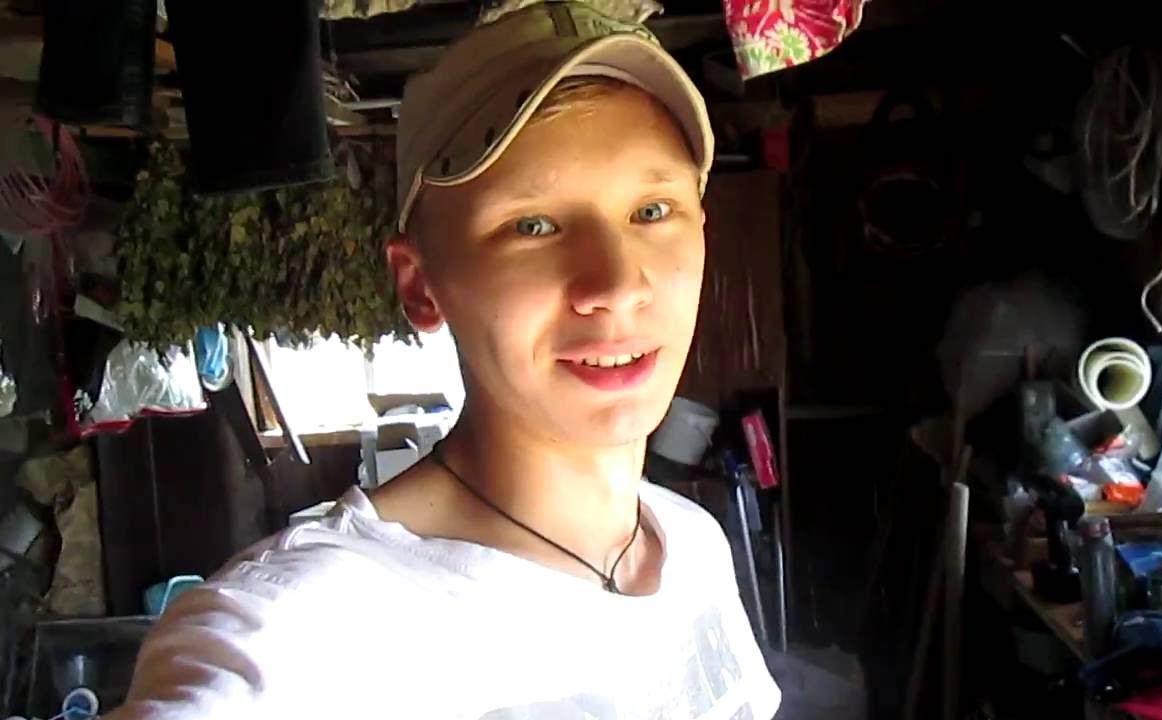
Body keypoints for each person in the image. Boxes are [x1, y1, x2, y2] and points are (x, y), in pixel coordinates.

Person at [110, 2, 780, 718]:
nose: (616, 286)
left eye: (651, 211)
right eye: (533, 225)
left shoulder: (691, 546)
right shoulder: (314, 629)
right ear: (420, 286)